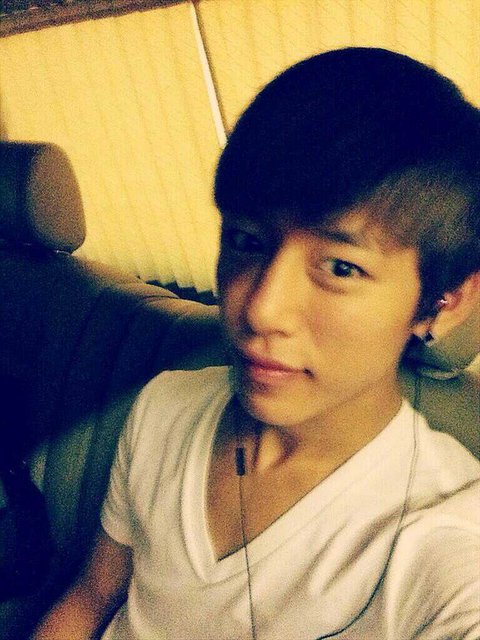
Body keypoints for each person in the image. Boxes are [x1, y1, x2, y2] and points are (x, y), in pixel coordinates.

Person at [33, 47, 480, 640]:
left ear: (446, 302)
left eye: (341, 268)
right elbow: (91, 600)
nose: (259, 308)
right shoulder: (166, 407)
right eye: (246, 240)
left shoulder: (447, 548)